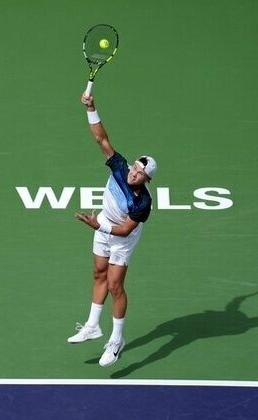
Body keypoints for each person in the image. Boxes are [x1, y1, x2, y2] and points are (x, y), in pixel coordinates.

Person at [68, 92, 157, 367]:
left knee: (115, 285)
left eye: (140, 173)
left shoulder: (143, 203)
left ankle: (117, 341)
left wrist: (98, 225)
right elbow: (101, 138)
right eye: (134, 167)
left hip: (121, 236)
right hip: (104, 225)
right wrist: (91, 109)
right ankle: (93, 325)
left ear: (146, 179)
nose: (133, 172)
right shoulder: (119, 168)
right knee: (98, 273)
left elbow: (124, 230)